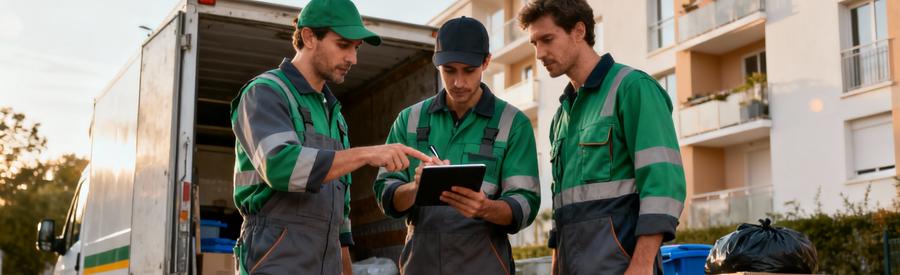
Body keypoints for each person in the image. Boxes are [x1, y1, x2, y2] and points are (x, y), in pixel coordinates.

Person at [229, 0, 430, 273]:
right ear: (309, 37)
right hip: (274, 260)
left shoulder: (335, 117)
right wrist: (367, 153)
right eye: (343, 45)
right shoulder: (264, 93)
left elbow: (340, 215)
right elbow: (280, 166)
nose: (353, 59)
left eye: (356, 48)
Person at [518, 0, 687, 274]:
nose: (539, 53)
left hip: (622, 268)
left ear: (579, 31)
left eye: (547, 39)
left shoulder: (633, 88)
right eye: (534, 43)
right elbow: (562, 205)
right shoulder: (561, 117)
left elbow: (664, 185)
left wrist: (642, 264)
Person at [373, 16, 541, 275]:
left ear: (486, 62)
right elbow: (385, 192)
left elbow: (526, 202)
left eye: (469, 70)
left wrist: (486, 208)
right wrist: (416, 188)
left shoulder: (513, 123)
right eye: (449, 70)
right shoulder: (409, 120)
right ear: (436, 62)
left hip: (484, 267)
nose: (458, 82)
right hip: (421, 266)